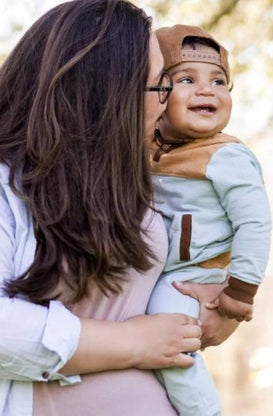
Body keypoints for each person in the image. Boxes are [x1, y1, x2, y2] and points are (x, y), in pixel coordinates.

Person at [0, 2, 237, 415]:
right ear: (104, 94)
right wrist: (134, 344)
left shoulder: (135, 181)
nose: (168, 101)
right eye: (160, 85)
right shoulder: (10, 185)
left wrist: (214, 302)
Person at [146, 24, 272, 416]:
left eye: (219, 82)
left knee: (168, 338)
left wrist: (240, 291)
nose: (207, 90)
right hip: (165, 270)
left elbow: (255, 223)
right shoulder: (147, 146)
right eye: (187, 79)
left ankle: (204, 411)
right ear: (157, 94)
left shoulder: (226, 156)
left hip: (195, 274)